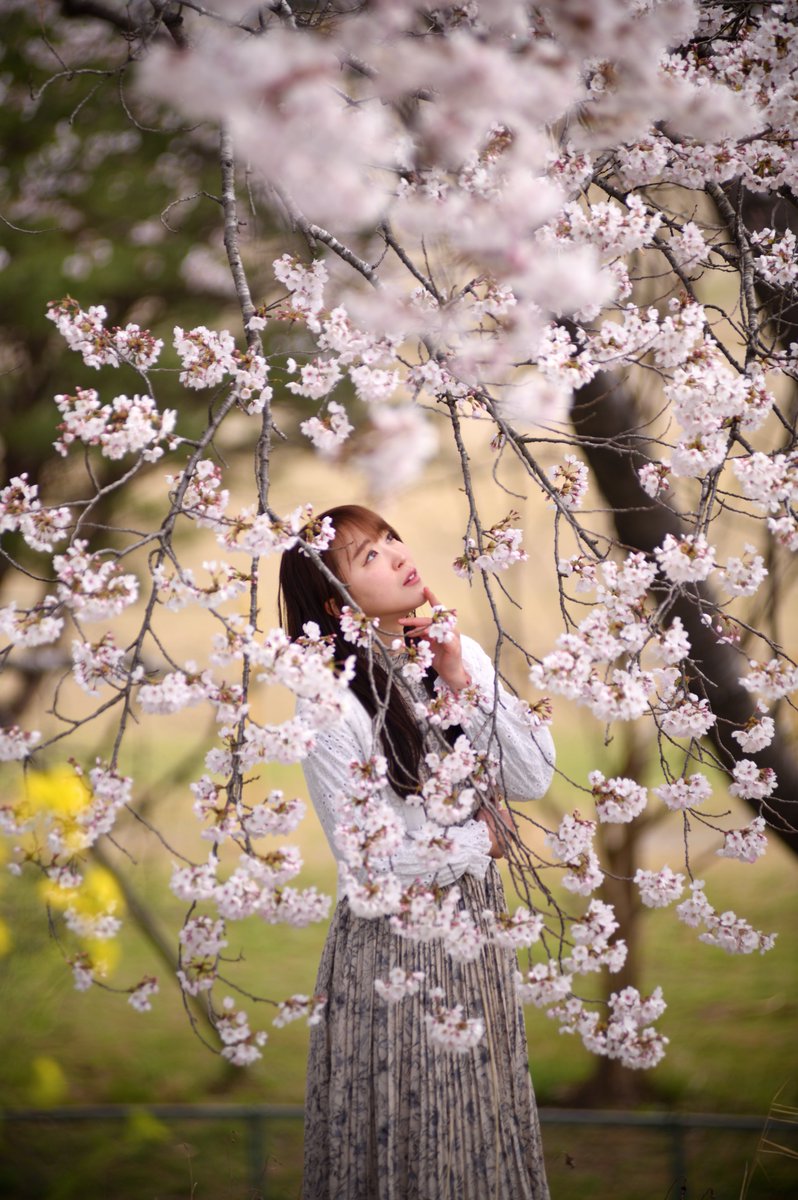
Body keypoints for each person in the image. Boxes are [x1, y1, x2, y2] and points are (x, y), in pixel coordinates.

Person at [278, 504, 555, 1200]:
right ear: (333, 601)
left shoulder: (452, 648)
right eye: (367, 556)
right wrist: (474, 839)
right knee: (420, 1135)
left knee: (482, 1133)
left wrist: (460, 673)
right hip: (395, 951)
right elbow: (369, 859)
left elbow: (532, 777)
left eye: (390, 539)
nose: (398, 555)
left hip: (478, 934)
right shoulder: (329, 704)